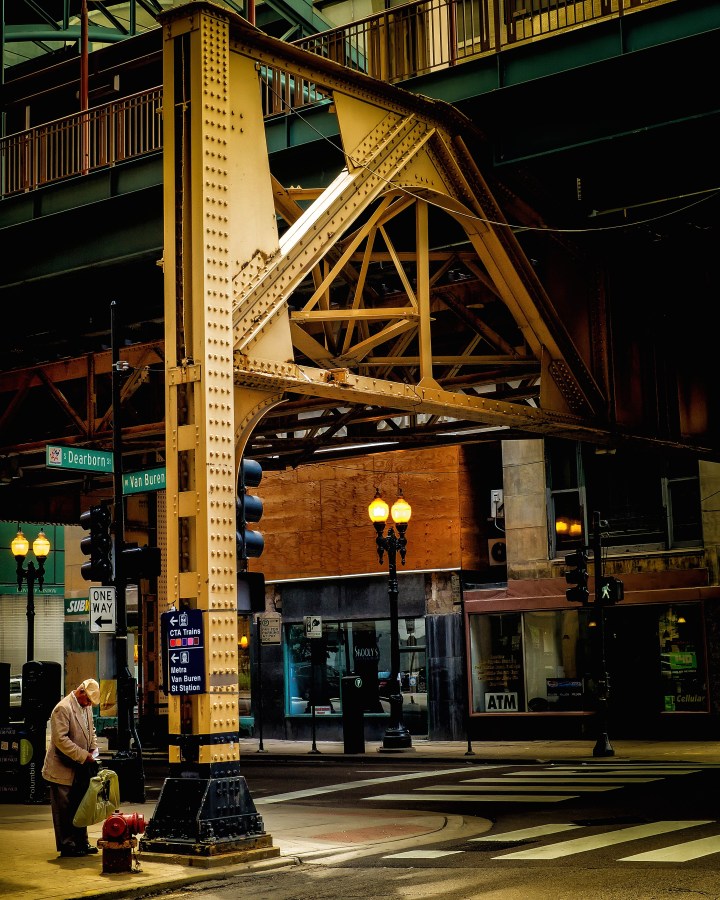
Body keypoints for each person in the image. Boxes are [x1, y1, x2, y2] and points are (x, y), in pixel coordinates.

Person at [42, 678, 101, 858]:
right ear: (81, 692)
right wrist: (84, 755)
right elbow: (60, 740)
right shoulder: (63, 708)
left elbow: (91, 731)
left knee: (80, 805)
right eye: (88, 700)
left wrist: (93, 747)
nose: (89, 704)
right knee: (64, 808)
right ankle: (67, 844)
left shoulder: (86, 707)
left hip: (79, 767)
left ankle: (81, 841)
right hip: (61, 768)